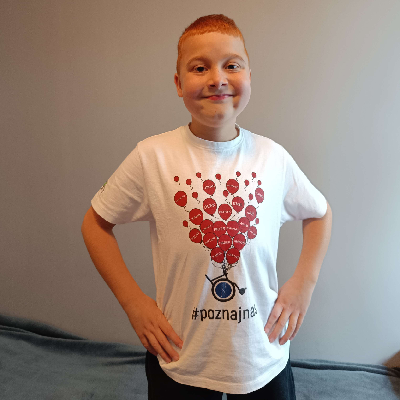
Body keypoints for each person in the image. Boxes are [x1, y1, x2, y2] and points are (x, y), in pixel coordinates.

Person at [81, 14, 332, 399]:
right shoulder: (152, 157)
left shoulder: (273, 158)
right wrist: (133, 302)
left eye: (232, 65)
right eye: (200, 68)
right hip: (181, 357)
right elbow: (95, 224)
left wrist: (304, 284)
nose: (217, 78)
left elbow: (319, 213)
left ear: (249, 76)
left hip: (262, 358)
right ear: (178, 83)